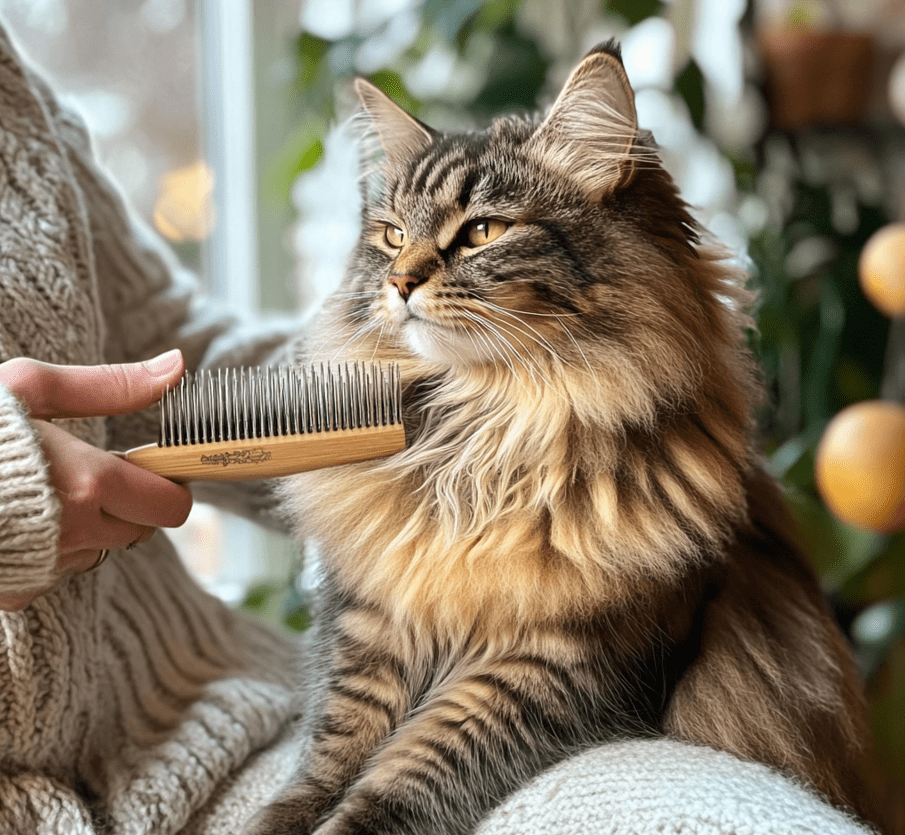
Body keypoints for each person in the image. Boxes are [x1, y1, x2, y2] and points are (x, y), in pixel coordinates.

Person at [0, 18, 876, 835]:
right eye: (393, 236)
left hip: (212, 707)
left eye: (480, 230)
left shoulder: (25, 100)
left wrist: (388, 409)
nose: (410, 271)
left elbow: (169, 336)